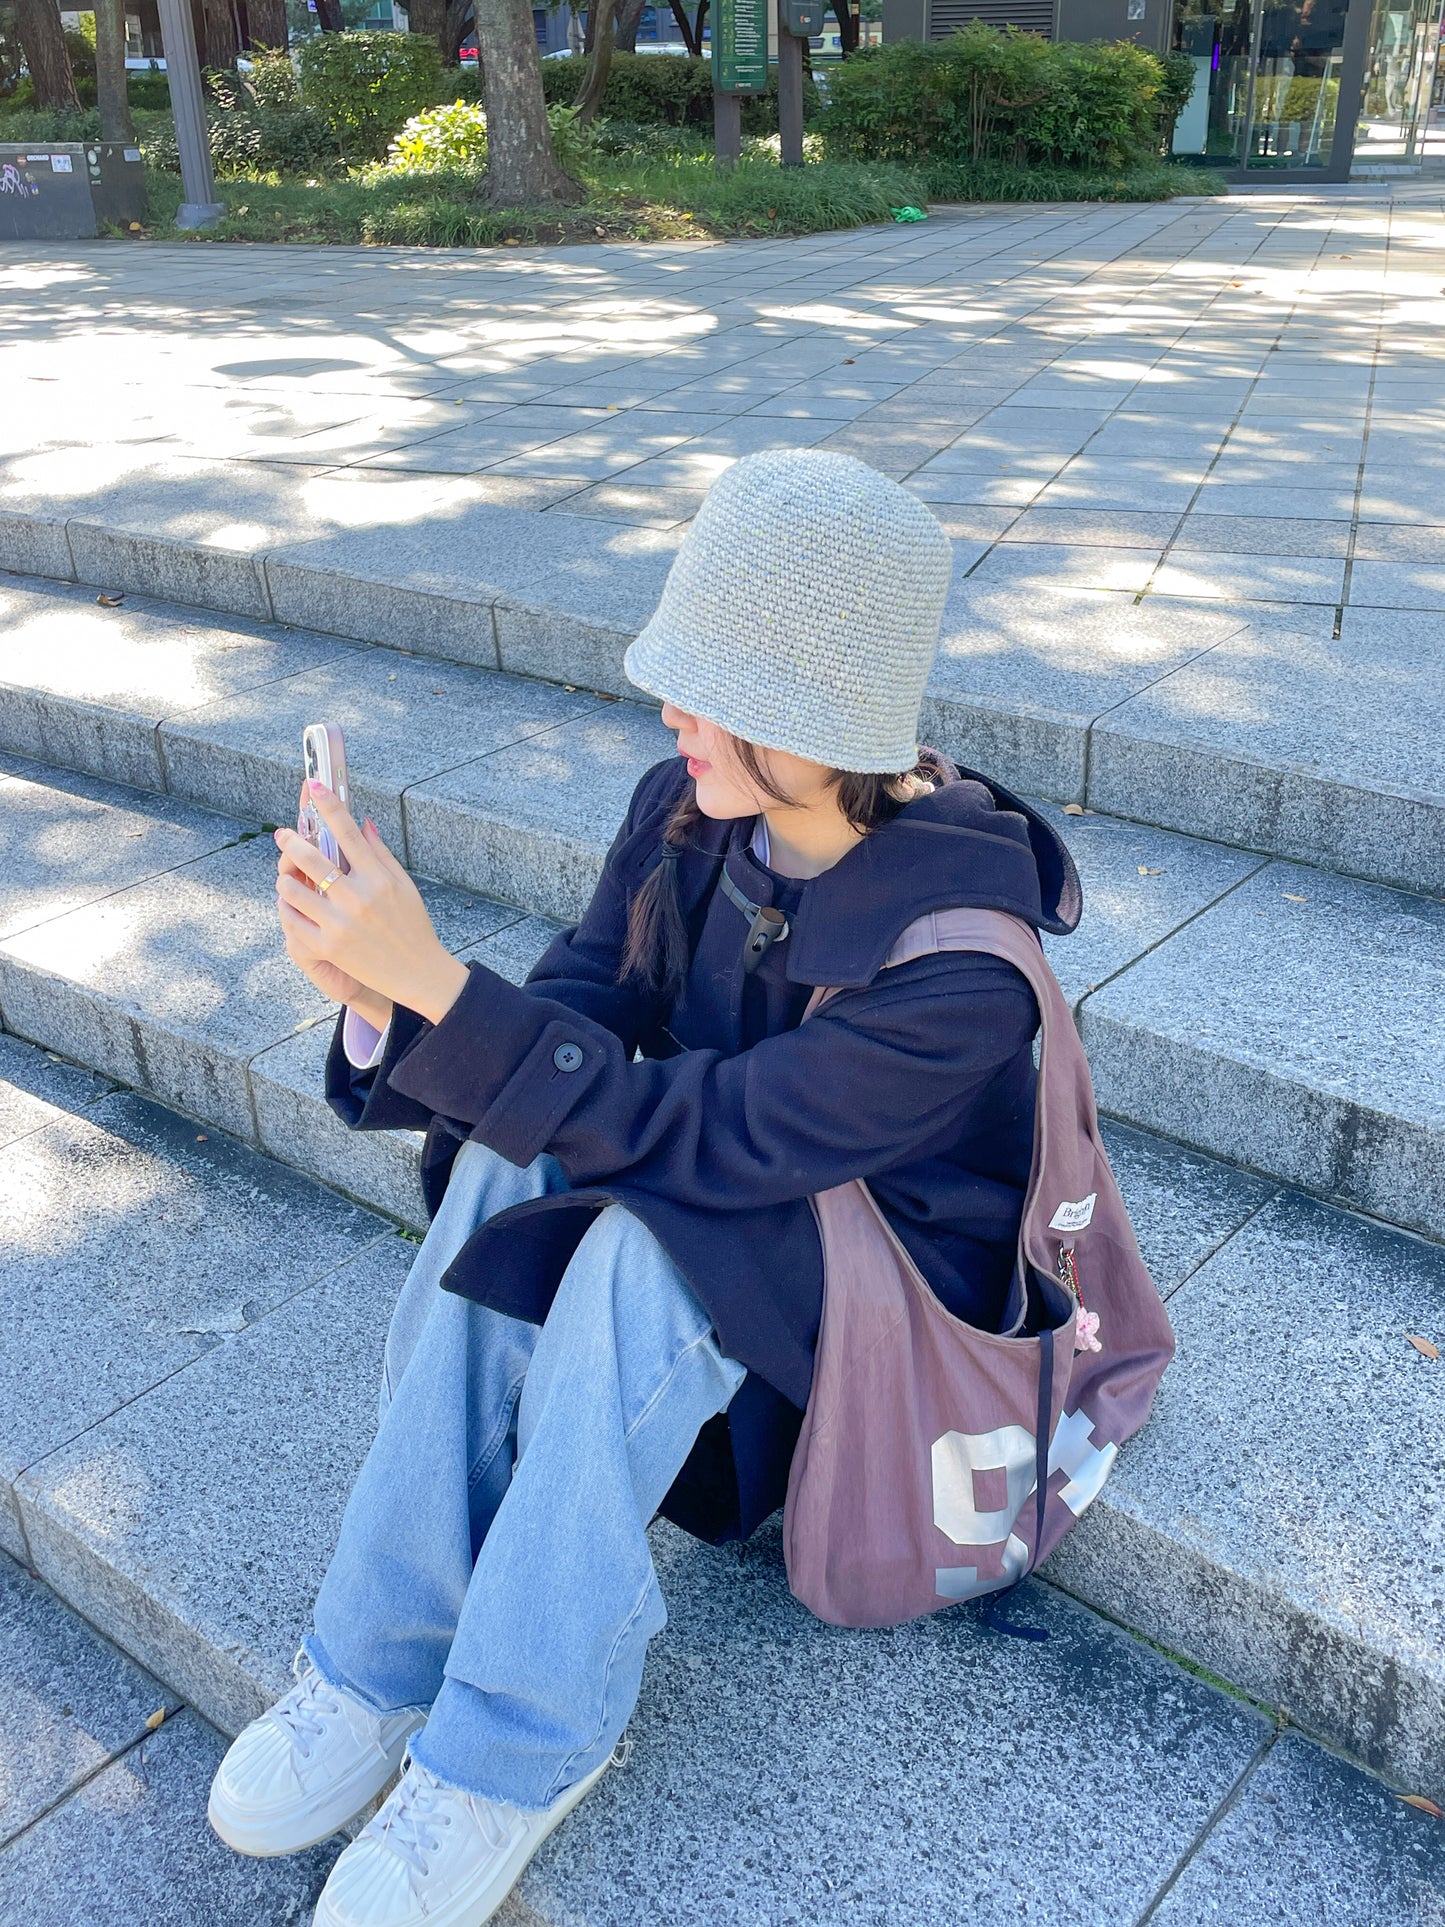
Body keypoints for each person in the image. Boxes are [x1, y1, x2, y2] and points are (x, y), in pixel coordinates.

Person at [207, 449, 1081, 1927]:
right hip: (711, 1201)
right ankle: (371, 1663)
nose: (670, 711)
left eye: (714, 691)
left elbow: (735, 1140)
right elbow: (579, 1013)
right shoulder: (685, 813)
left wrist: (440, 978)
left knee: (637, 1259)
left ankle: (511, 1754)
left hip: (876, 1316)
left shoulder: (961, 965)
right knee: (505, 1154)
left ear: (823, 719)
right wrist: (383, 997)